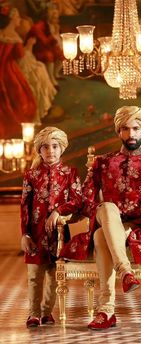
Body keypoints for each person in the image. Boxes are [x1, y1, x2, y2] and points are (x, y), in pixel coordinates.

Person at [80, 106, 141, 330]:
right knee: (107, 208)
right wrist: (98, 209)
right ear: (118, 131)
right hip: (110, 218)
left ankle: (106, 311)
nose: (131, 134)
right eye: (125, 129)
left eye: (135, 128)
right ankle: (126, 272)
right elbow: (86, 196)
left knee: (102, 236)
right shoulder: (102, 162)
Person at [20, 127, 83, 328]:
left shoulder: (70, 173)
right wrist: (25, 234)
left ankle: (47, 311)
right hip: (36, 233)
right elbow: (25, 206)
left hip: (59, 234)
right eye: (45, 147)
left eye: (55, 146)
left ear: (61, 148)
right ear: (39, 151)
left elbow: (77, 201)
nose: (50, 151)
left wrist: (58, 211)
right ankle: (34, 313)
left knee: (55, 274)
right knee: (34, 275)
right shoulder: (31, 175)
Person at [0, 5, 36, 138]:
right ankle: (14, 126)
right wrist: (30, 45)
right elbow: (21, 56)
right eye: (17, 17)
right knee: (19, 96)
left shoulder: (2, 34)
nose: (19, 19)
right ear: (11, 19)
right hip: (9, 69)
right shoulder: (14, 37)